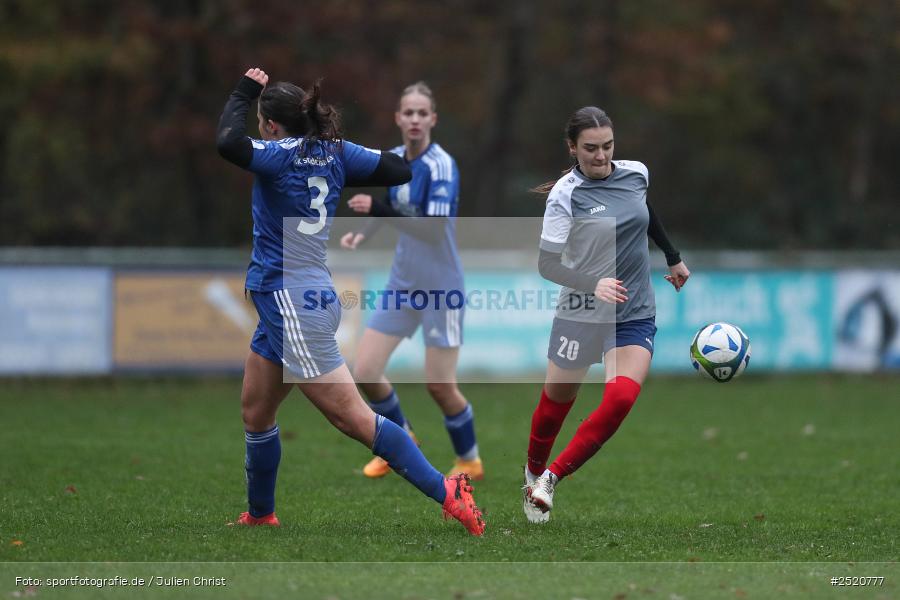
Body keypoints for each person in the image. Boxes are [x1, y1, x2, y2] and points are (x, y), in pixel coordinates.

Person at [215, 67, 484, 536]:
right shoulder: (336, 152)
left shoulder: (277, 155)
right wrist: (341, 155)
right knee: (256, 412)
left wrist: (243, 92)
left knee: (354, 418)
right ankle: (260, 514)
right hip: (300, 296)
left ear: (272, 125)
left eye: (261, 120)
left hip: (292, 303)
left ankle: (448, 491)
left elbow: (226, 142)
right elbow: (399, 169)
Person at [522, 106, 690, 523]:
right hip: (581, 311)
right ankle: (531, 472)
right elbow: (547, 265)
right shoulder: (566, 194)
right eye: (591, 149)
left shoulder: (636, 173)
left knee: (620, 399)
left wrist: (673, 258)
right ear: (573, 148)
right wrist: (590, 283)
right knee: (556, 401)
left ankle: (550, 480)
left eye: (607, 146)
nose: (601, 156)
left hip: (633, 310)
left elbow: (645, 213)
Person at [340, 82, 483, 481]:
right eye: (409, 112)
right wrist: (364, 233)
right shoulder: (395, 160)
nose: (415, 119)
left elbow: (434, 231)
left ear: (433, 119)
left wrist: (378, 208)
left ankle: (469, 459)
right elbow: (393, 212)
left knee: (438, 385)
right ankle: (401, 440)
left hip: (440, 285)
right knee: (365, 370)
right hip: (402, 284)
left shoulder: (441, 166)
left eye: (423, 113)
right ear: (398, 118)